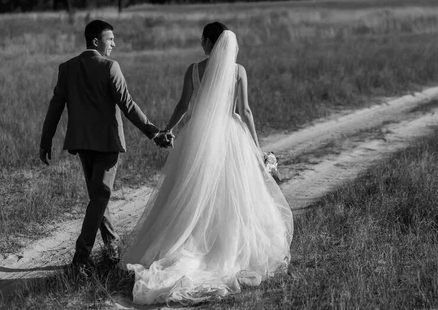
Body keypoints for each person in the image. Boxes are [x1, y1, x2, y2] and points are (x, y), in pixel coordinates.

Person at [122, 22, 293, 305]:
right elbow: (245, 110)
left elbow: (183, 105)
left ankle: (185, 243)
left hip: (199, 136)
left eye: (203, 40)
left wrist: (168, 129)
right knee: (232, 193)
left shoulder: (194, 70)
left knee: (191, 190)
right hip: (230, 135)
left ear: (207, 42)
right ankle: (224, 245)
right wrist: (257, 148)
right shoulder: (238, 71)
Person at [39, 19, 173, 272]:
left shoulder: (66, 68)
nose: (114, 43)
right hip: (107, 143)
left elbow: (55, 106)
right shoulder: (110, 67)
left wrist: (46, 140)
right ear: (96, 41)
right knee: (100, 196)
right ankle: (81, 256)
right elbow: (128, 105)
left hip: (82, 143)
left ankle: (112, 245)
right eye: (110, 39)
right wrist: (154, 133)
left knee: (98, 197)